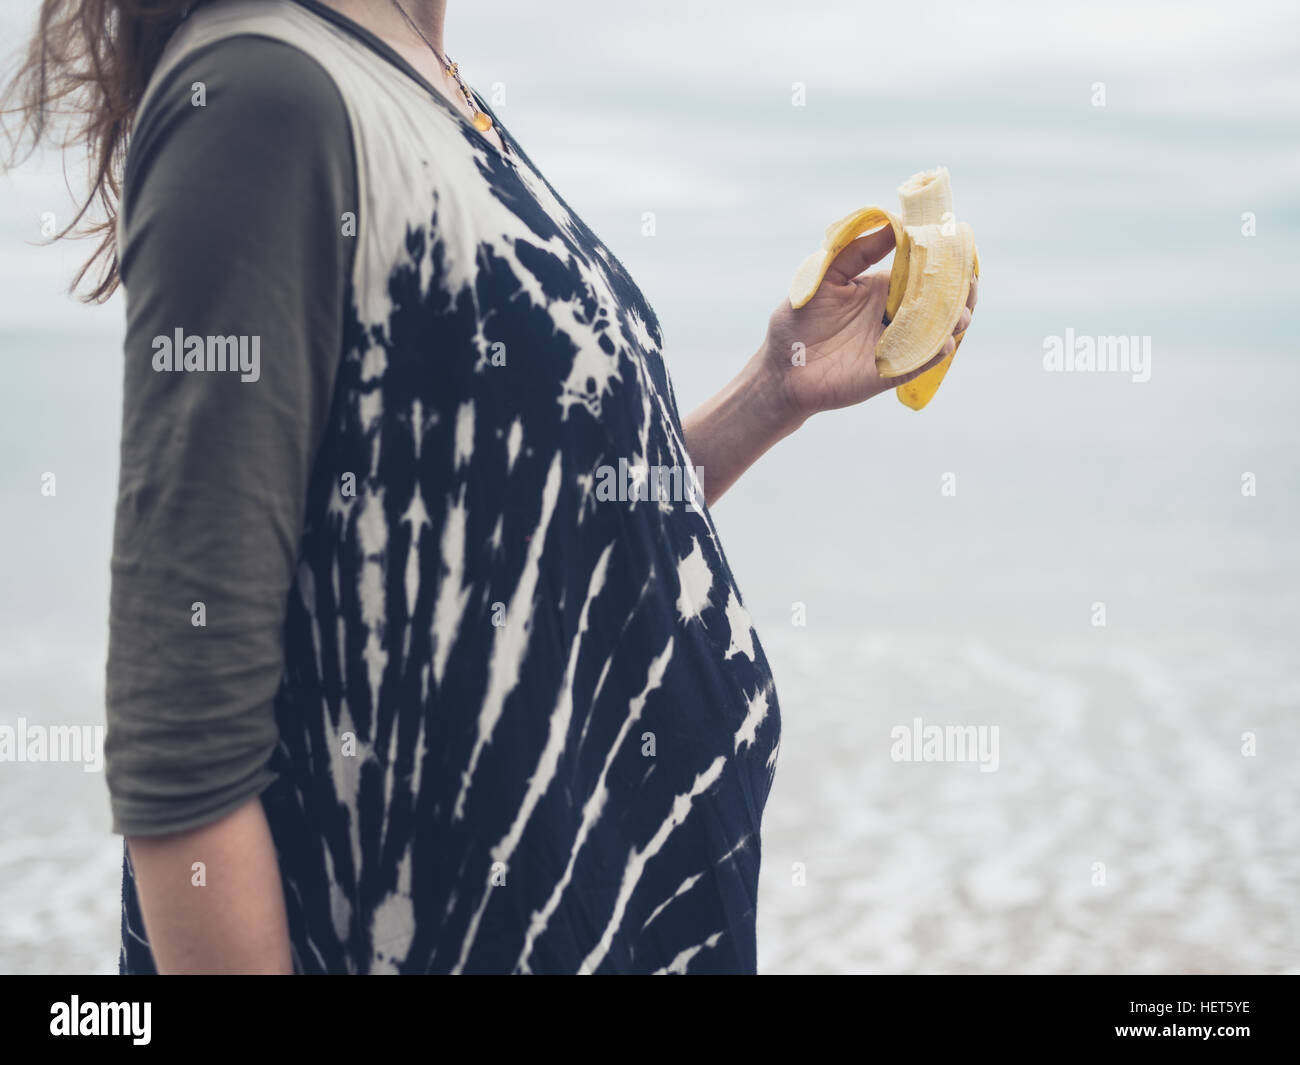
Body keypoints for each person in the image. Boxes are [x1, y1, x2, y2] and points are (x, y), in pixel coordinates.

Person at [4, 0, 976, 974]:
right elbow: (185, 747)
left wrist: (772, 392)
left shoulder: (428, 85)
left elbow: (541, 533)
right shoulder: (264, 96)